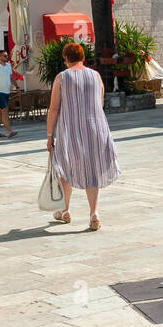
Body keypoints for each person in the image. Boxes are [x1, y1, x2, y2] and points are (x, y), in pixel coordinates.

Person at [46, 41, 120, 231]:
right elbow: (100, 102)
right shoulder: (95, 76)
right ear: (83, 58)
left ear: (66, 59)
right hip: (96, 129)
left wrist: (49, 134)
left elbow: (54, 109)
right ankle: (93, 213)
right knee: (93, 171)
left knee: (65, 167)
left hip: (70, 130)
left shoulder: (62, 78)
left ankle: (65, 209)